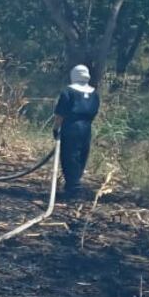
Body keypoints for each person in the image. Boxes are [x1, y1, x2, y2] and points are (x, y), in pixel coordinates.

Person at [53, 64, 100, 200]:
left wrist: (56, 128)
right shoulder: (94, 93)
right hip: (87, 127)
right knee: (81, 156)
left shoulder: (68, 92)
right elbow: (95, 111)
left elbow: (60, 114)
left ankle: (73, 188)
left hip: (71, 127)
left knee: (70, 156)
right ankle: (73, 185)